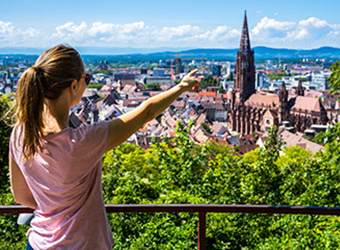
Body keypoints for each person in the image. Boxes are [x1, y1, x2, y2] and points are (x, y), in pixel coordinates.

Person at [9, 44, 200, 250]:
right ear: (74, 86)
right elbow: (146, 112)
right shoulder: (83, 141)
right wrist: (183, 86)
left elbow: (21, 196)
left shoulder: (20, 133)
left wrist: (54, 206)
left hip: (38, 243)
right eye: (87, 79)